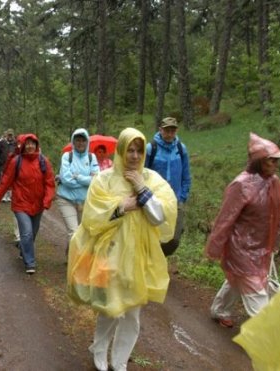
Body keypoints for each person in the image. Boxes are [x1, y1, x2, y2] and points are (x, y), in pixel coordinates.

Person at [67, 128, 177, 371]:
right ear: (121, 151)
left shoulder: (151, 180)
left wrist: (141, 189)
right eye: (130, 150)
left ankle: (119, 362)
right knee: (110, 307)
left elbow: (159, 216)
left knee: (132, 313)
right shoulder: (103, 179)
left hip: (138, 256)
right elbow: (92, 217)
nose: (135, 156)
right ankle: (99, 348)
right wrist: (120, 207)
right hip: (110, 253)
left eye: (139, 151)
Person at [205, 132, 280, 328]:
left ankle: (219, 310)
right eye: (271, 160)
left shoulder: (274, 182)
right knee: (256, 293)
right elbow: (225, 219)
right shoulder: (241, 184)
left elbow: (278, 215)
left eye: (277, 160)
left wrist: (274, 242)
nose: (276, 165)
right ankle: (265, 336)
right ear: (259, 161)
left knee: (236, 280)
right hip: (240, 248)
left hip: (261, 247)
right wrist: (215, 248)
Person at [0, 134, 56, 274]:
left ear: (37, 145)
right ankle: (30, 262)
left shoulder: (44, 161)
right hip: (20, 203)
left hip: (38, 205)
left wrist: (47, 200)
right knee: (26, 233)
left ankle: (23, 248)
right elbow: (5, 182)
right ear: (23, 146)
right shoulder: (16, 161)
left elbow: (50, 183)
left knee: (32, 233)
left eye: (33, 143)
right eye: (27, 144)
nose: (30, 146)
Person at [144, 117, 191, 256]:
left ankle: (159, 259)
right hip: (153, 200)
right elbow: (143, 173)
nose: (170, 134)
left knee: (173, 239)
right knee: (153, 236)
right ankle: (153, 266)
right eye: (167, 130)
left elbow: (186, 175)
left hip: (176, 200)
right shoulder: (151, 148)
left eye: (172, 130)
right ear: (160, 130)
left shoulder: (181, 149)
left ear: (176, 131)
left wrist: (182, 196)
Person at [56, 128, 100, 254]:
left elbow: (96, 179)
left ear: (87, 142)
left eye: (83, 140)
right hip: (66, 199)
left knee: (83, 232)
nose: (80, 143)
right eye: (77, 140)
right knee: (74, 232)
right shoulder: (67, 156)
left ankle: (70, 252)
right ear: (73, 142)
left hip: (85, 201)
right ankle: (74, 262)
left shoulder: (92, 158)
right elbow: (66, 179)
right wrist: (86, 180)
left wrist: (78, 177)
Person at [0, 128, 17, 202]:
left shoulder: (15, 143)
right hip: (2, 165)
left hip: (12, 165)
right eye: (9, 135)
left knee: (11, 181)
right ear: (7, 135)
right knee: (2, 180)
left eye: (11, 135)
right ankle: (3, 195)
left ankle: (9, 196)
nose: (10, 136)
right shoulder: (2, 142)